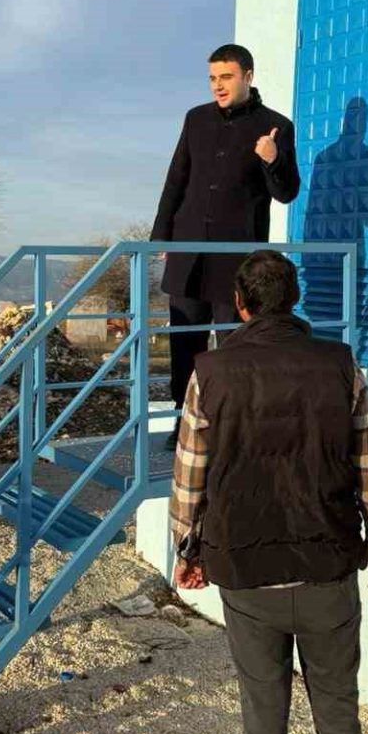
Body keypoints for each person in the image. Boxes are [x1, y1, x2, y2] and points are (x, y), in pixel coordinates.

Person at [170, 251, 368, 734]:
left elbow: (190, 477)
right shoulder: (339, 364)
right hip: (327, 567)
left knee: (263, 716)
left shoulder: (210, 372)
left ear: (240, 304)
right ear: (294, 300)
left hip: (248, 572)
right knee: (338, 711)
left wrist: (187, 549)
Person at [152, 43, 300, 449]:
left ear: (248, 76)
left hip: (236, 259)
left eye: (226, 77)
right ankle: (184, 424)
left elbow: (287, 192)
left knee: (233, 345)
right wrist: (161, 234)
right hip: (188, 251)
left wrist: (272, 159)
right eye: (213, 78)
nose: (218, 85)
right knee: (185, 343)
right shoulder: (196, 118)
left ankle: (229, 425)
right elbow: (177, 178)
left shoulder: (276, 126)